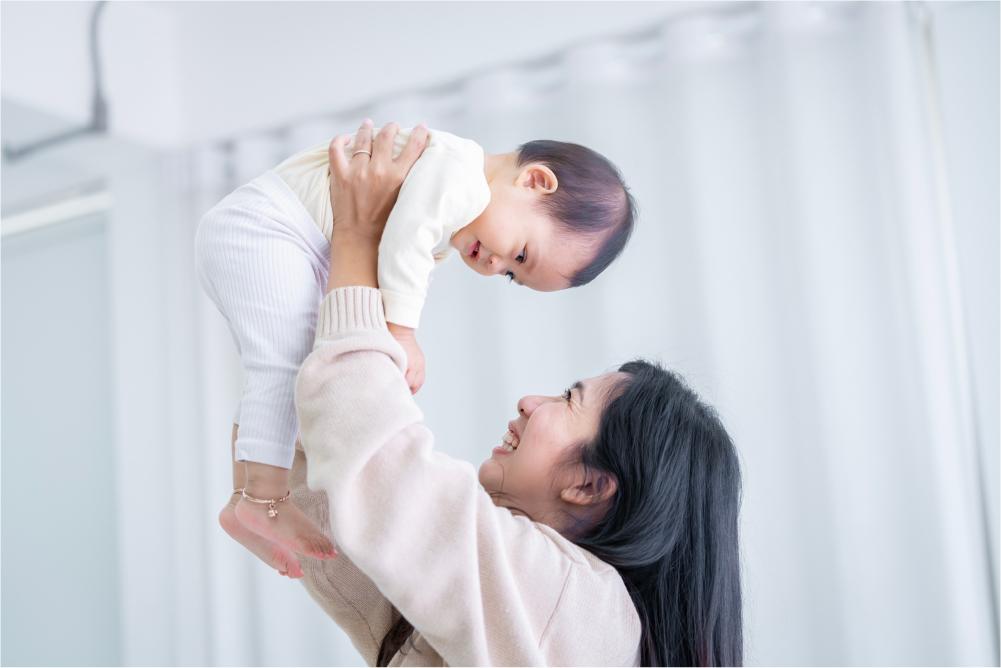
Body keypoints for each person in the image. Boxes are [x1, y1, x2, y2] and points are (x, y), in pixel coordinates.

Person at [278, 121, 744, 666]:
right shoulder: (552, 608)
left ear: (589, 484)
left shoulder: (574, 604)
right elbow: (342, 501)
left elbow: (382, 475)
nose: (529, 400)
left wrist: (358, 237)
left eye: (570, 401)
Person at [195, 121, 637, 576]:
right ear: (535, 181)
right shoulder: (458, 173)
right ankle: (263, 498)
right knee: (285, 367)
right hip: (265, 230)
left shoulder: (455, 205)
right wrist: (401, 333)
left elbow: (398, 255)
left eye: (510, 274)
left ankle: (245, 499)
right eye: (521, 255)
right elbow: (404, 246)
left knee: (286, 368)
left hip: (271, 237)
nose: (494, 265)